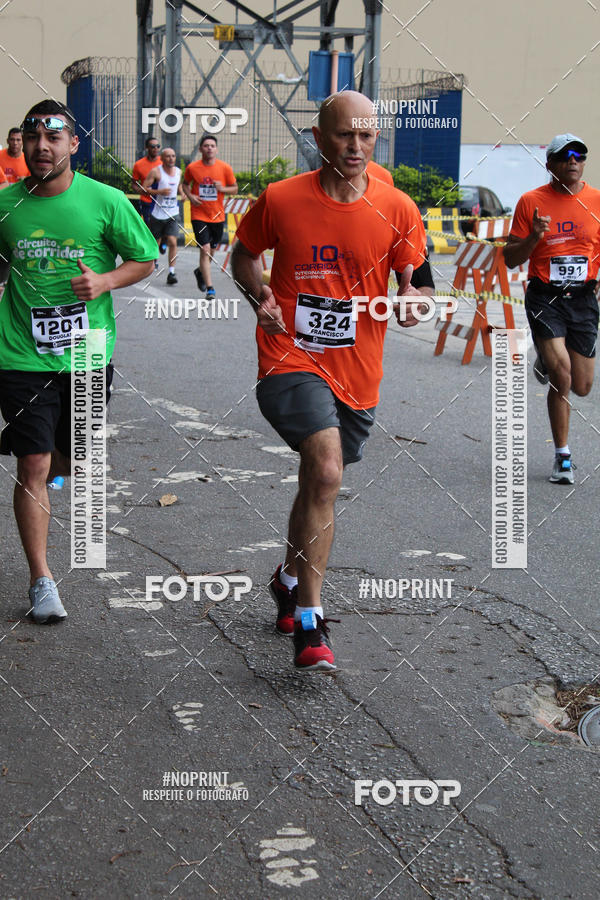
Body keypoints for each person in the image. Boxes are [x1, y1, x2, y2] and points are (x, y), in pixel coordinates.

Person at [231, 91, 434, 671]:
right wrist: (259, 296)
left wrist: (416, 301)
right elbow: (244, 255)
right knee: (325, 470)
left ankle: (288, 578)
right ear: (319, 138)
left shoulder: (397, 207)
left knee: (316, 483)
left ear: (376, 139)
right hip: (288, 358)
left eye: (366, 135)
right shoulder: (281, 198)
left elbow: (420, 279)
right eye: (344, 134)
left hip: (357, 372)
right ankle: (310, 620)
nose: (355, 146)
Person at [0, 99, 157, 623]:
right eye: (33, 137)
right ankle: (42, 580)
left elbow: (145, 258)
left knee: (74, 460)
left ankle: (40, 451)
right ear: (23, 144)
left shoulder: (105, 200)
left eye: (54, 137)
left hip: (88, 352)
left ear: (73, 143)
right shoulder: (5, 205)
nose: (42, 147)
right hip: (21, 354)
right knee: (34, 464)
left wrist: (106, 280)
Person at [504, 133, 600, 485]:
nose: (573, 161)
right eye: (564, 156)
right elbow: (509, 258)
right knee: (563, 376)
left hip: (584, 299)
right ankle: (563, 456)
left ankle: (546, 358)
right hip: (546, 297)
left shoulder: (597, 201)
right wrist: (534, 237)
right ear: (550, 165)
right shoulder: (531, 202)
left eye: (579, 155)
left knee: (583, 386)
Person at [182, 134, 237, 299]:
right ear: (201, 149)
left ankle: (200, 272)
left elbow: (234, 188)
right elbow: (185, 184)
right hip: (198, 214)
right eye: (206, 146)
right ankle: (210, 289)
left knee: (212, 250)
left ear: (216, 149)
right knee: (205, 249)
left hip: (217, 216)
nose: (209, 148)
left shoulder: (225, 168)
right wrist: (191, 196)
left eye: (212, 146)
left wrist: (222, 189)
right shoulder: (193, 168)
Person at [143, 147, 184, 285]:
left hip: (173, 212)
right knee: (156, 242)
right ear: (162, 158)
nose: (171, 158)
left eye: (173, 156)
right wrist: (158, 191)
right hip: (158, 213)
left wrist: (182, 194)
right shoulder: (156, 172)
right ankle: (153, 261)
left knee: (173, 241)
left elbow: (179, 186)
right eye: (168, 156)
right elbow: (144, 188)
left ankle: (172, 272)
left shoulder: (179, 172)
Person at [132, 136, 161, 225]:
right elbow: (134, 184)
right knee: (149, 227)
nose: (155, 148)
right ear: (147, 148)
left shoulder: (164, 163)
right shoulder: (138, 165)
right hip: (146, 202)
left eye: (158, 146)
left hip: (162, 202)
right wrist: (142, 191)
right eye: (152, 146)